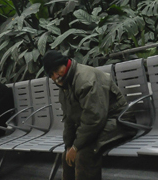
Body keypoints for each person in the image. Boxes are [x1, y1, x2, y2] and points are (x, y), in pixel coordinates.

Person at [42, 50, 133, 180]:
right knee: (67, 155)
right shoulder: (65, 86)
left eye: (57, 70)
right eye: (51, 74)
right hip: (100, 122)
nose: (56, 76)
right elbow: (69, 119)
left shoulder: (85, 80)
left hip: (120, 120)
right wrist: (69, 145)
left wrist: (76, 146)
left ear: (65, 63)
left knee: (84, 153)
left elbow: (94, 118)